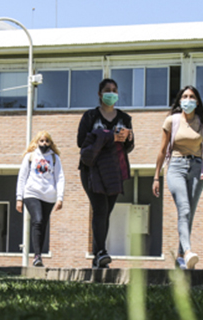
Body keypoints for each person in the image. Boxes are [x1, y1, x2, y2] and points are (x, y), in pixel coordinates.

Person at [152, 85, 203, 270]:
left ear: (197, 101)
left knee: (189, 214)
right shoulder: (172, 121)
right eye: (185, 96)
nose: (188, 99)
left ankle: (180, 258)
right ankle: (188, 252)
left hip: (197, 167)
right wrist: (156, 176)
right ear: (180, 100)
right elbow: (162, 150)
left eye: (191, 96)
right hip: (175, 167)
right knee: (184, 208)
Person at [77, 78, 134, 269]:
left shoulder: (125, 118)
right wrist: (109, 136)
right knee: (100, 208)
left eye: (114, 90)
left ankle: (98, 255)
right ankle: (101, 252)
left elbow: (128, 147)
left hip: (115, 171)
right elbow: (81, 142)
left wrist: (129, 138)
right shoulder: (90, 116)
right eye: (107, 90)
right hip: (92, 170)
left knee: (106, 212)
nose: (111, 93)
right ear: (100, 94)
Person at [16, 131, 65, 267]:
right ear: (37, 142)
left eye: (47, 141)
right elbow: (22, 177)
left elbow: (60, 178)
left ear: (50, 143)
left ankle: (39, 255)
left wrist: (60, 198)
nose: (44, 144)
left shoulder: (55, 158)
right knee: (37, 220)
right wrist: (19, 198)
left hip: (49, 196)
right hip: (32, 193)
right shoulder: (30, 156)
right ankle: (37, 256)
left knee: (43, 224)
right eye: (41, 141)